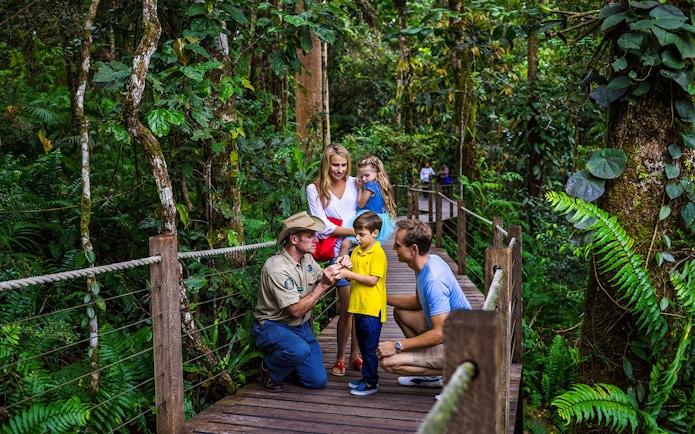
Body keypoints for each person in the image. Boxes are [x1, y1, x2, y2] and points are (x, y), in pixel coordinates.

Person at [253, 211, 352, 392]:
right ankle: (269, 368)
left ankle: (289, 363)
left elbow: (323, 277)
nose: (316, 240)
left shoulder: (306, 257)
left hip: (301, 328)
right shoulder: (276, 268)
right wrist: (323, 285)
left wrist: (340, 266)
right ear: (294, 239)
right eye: (310, 236)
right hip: (273, 326)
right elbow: (296, 310)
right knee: (298, 350)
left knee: (317, 381)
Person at [376, 219, 472, 387]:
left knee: (388, 362)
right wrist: (382, 298)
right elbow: (418, 301)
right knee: (401, 312)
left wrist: (397, 346)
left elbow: (439, 333)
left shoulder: (434, 279)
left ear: (414, 250)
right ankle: (431, 372)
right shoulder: (427, 262)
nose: (393, 249)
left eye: (398, 246)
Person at [306, 143, 362, 376]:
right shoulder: (315, 189)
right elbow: (322, 227)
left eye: (343, 164)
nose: (339, 170)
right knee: (347, 308)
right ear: (326, 164)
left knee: (362, 307)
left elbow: (370, 210)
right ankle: (340, 355)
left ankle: (355, 356)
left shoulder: (356, 183)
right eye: (335, 165)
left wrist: (360, 233)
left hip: (363, 251)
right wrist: (358, 231)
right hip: (338, 254)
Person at [335, 211, 388, 396]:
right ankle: (366, 377)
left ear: (375, 233)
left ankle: (371, 383)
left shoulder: (378, 253)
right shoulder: (357, 251)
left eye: (361, 234)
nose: (356, 238)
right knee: (364, 345)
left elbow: (373, 280)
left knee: (370, 347)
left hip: (372, 308)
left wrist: (349, 274)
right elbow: (354, 278)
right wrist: (346, 266)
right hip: (357, 305)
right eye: (356, 234)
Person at [338, 155, 397, 257]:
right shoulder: (380, 184)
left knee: (345, 244)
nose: (364, 179)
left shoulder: (370, 186)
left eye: (367, 175)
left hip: (368, 219)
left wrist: (360, 188)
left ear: (377, 172)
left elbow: (361, 204)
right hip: (379, 219)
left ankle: (339, 269)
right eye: (361, 176)